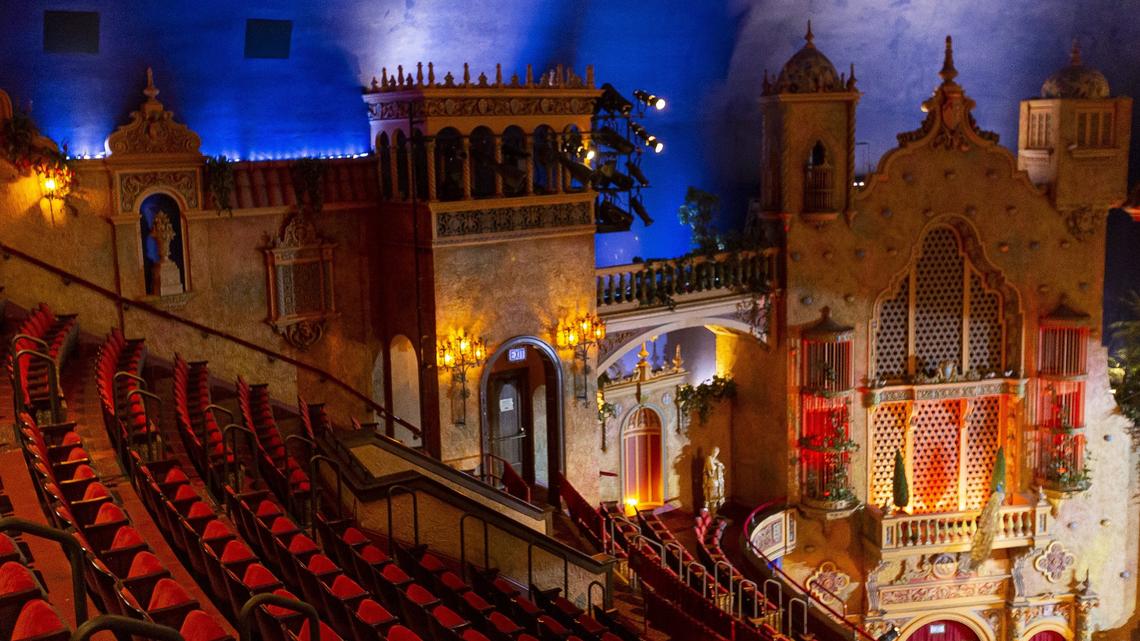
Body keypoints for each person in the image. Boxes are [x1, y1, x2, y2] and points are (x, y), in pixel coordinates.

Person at [703, 446, 726, 515]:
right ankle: (711, 515)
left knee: (716, 499)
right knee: (711, 499)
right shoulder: (709, 458)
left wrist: (721, 465)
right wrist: (718, 465)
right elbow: (712, 468)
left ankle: (714, 514)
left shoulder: (716, 459)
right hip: (712, 482)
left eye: (717, 452)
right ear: (712, 451)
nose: (715, 453)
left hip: (717, 482)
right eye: (714, 451)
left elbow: (723, 468)